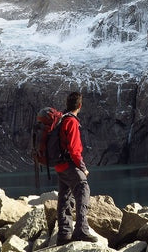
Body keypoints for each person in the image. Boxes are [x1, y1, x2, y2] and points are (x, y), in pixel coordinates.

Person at [55, 91, 98, 246]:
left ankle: (64, 234)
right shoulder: (71, 122)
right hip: (69, 165)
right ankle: (81, 230)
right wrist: (83, 168)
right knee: (83, 189)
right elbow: (74, 150)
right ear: (80, 106)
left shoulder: (61, 119)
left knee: (65, 197)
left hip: (60, 166)